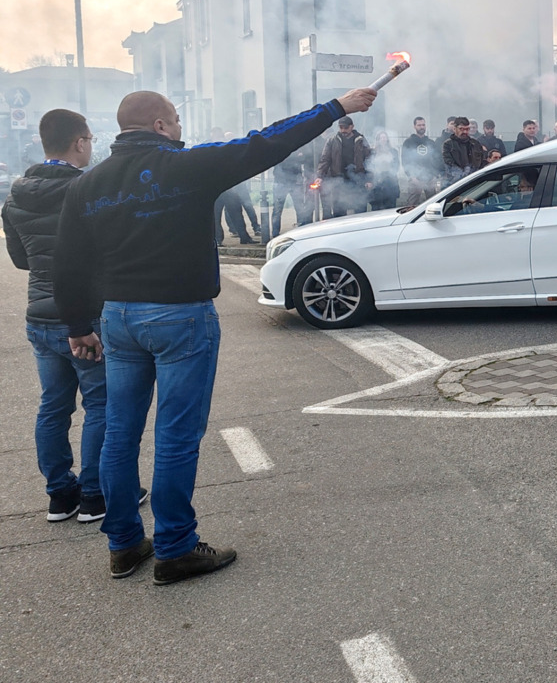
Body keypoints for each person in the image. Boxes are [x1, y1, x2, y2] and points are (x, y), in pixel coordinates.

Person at [53, 87, 376, 585]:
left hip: (118, 317)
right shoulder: (187, 166)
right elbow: (267, 143)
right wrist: (336, 108)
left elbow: (68, 262)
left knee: (120, 432)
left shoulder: (86, 185)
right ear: (160, 126)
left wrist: (77, 325)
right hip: (180, 314)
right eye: (176, 121)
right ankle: (176, 547)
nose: (181, 129)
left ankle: (122, 545)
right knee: (176, 435)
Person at [3, 110, 129, 525]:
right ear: (80, 142)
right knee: (99, 405)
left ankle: (60, 495)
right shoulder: (89, 189)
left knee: (53, 407)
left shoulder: (16, 195)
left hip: (38, 317)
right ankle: (94, 496)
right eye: (90, 140)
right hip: (85, 318)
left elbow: (21, 260)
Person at [317, 116, 371, 217]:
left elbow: (369, 160)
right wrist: (320, 176)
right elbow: (325, 159)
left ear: (352, 126)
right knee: (339, 211)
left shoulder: (361, 140)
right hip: (339, 180)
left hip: (358, 180)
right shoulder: (332, 141)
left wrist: (369, 179)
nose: (343, 130)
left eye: (346, 128)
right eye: (341, 127)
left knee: (360, 211)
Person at [208, 129, 254, 244]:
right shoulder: (215, 149)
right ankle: (220, 239)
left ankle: (242, 238)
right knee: (219, 216)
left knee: (233, 214)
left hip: (225, 189)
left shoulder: (219, 149)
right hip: (221, 190)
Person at [270, 148, 313, 237]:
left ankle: (300, 231)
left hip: (292, 181)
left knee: (298, 208)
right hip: (282, 181)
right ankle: (275, 233)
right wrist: (296, 156)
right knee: (279, 209)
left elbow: (304, 158)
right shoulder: (281, 147)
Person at [400, 116, 437, 206]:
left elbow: (436, 159)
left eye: (423, 125)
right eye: (419, 125)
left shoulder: (431, 142)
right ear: (414, 126)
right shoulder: (408, 142)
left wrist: (435, 175)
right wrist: (412, 177)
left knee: (433, 203)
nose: (421, 127)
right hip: (415, 178)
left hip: (430, 178)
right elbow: (405, 161)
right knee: (412, 204)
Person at [441, 115, 485, 183]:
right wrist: (463, 175)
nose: (465, 132)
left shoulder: (475, 144)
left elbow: (481, 162)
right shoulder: (448, 144)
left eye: (467, 129)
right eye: (461, 129)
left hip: (474, 181)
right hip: (454, 183)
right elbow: (449, 163)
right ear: (454, 129)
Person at [366, 131, 401, 210]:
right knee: (376, 209)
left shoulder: (393, 152)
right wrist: (369, 180)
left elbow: (396, 166)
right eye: (381, 138)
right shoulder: (372, 152)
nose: (383, 140)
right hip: (376, 185)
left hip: (390, 184)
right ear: (377, 140)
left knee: (390, 208)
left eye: (384, 137)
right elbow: (368, 167)